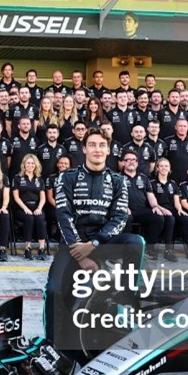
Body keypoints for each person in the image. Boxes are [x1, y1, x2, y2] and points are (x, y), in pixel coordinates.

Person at [46, 131, 142, 344]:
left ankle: (125, 299)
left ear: (108, 150)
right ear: (84, 149)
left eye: (101, 145)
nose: (97, 149)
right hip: (73, 245)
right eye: (92, 145)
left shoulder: (119, 180)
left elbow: (119, 219)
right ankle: (54, 344)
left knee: (135, 243)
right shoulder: (67, 177)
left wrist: (95, 244)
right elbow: (63, 216)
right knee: (54, 291)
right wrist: (81, 255)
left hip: (102, 242)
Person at [13, 154, 49, 260]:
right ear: (24, 165)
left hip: (36, 207)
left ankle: (41, 248)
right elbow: (16, 197)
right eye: (28, 163)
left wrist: (39, 208)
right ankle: (27, 248)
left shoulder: (39, 179)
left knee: (40, 217)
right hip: (22, 208)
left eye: (32, 163)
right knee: (29, 218)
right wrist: (25, 208)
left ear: (36, 165)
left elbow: (43, 198)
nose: (30, 165)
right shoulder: (17, 178)